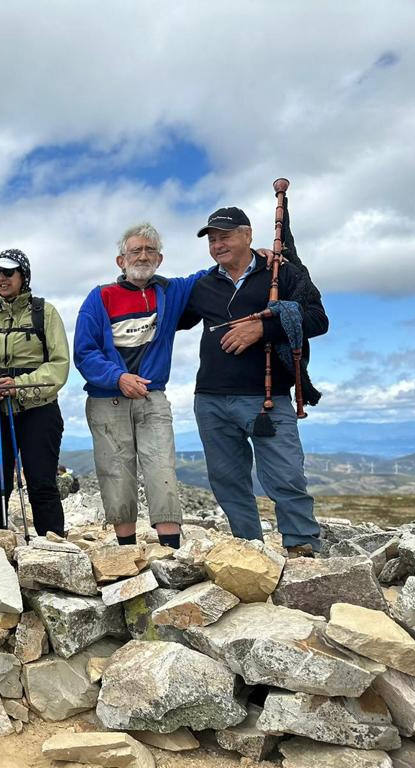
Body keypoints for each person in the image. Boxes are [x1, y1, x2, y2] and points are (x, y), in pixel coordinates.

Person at [178, 207, 328, 557]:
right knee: (227, 481)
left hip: (267, 398)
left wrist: (264, 327)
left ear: (248, 235)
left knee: (285, 476)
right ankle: (250, 551)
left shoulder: (281, 272)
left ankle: (301, 548)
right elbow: (168, 316)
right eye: (212, 239)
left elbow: (318, 319)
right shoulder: (203, 286)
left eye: (225, 236)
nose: (218, 244)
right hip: (211, 400)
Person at [74, 223, 206, 549]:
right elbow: (84, 352)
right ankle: (127, 553)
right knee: (115, 473)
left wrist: (255, 257)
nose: (142, 256)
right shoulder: (100, 297)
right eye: (135, 250)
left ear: (160, 259)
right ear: (121, 260)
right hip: (108, 399)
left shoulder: (170, 291)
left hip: (152, 397)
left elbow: (210, 275)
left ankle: (170, 554)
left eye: (149, 251)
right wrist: (117, 377)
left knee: (162, 468)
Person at [0, 249, 70, 537]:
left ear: (23, 275)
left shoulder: (44, 312)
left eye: (8, 272)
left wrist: (20, 386)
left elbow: (59, 365)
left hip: (39, 409)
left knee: (41, 481)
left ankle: (54, 549)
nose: (1, 278)